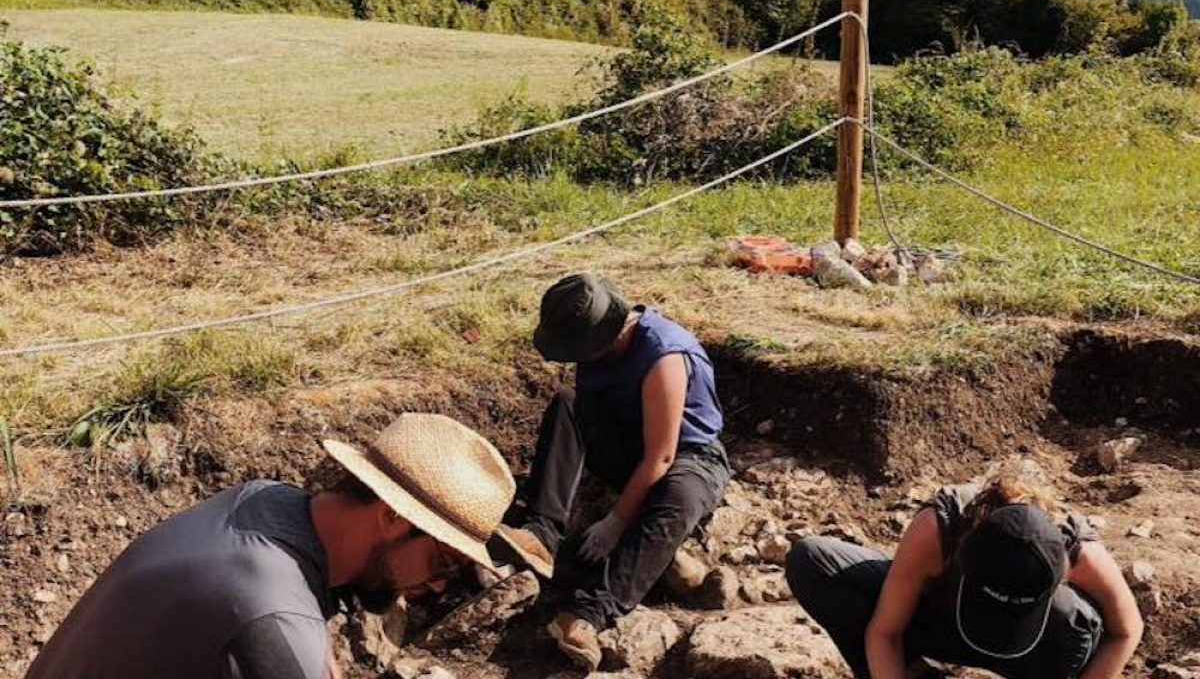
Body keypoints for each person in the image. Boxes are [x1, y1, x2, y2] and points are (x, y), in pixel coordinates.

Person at [26, 413, 539, 679]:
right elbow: (279, 633)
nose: (441, 583)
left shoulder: (265, 501)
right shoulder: (272, 616)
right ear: (391, 516)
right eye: (443, 557)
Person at [497, 273, 731, 670]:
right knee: (568, 404)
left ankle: (589, 613)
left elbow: (661, 456)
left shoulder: (664, 355)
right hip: (624, 442)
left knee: (679, 496)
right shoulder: (598, 349)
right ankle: (542, 532)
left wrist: (618, 520)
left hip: (687, 458)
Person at [785, 469, 1144, 679]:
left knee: (1076, 618)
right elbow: (885, 631)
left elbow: (1127, 629)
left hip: (1034, 649)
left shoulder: (1075, 548)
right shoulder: (939, 530)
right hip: (949, 621)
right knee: (814, 561)